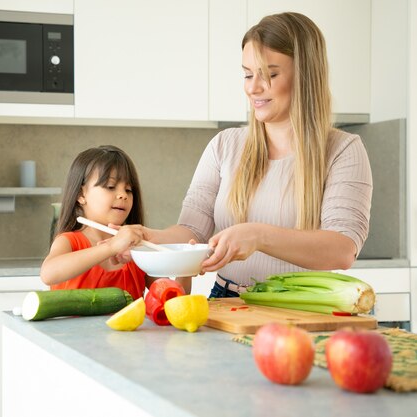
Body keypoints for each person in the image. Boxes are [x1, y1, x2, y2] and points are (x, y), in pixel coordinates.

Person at [144, 12, 373, 298]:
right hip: (226, 302)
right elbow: (192, 232)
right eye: (247, 74)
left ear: (305, 75)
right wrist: (147, 238)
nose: (252, 88)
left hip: (299, 309)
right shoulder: (224, 146)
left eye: (269, 75)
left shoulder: (343, 150)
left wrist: (258, 236)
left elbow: (342, 249)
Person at [40, 145, 191, 299]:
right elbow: (48, 274)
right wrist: (111, 247)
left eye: (128, 190)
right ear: (81, 194)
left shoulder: (137, 251)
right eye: (111, 187)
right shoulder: (69, 242)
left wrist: (187, 267)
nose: (122, 195)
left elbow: (173, 300)